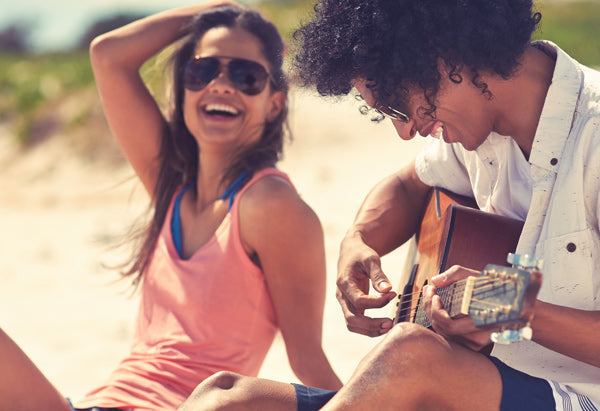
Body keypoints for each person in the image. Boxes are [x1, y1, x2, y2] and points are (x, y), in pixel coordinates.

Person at [178, 0, 600, 410]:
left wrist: (508, 305)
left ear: (447, 52)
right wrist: (358, 240)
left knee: (410, 352)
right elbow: (407, 184)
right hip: (469, 384)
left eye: (398, 105)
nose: (404, 131)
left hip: (580, 395)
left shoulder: (593, 134)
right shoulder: (474, 128)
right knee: (226, 397)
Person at [0, 2, 342, 410]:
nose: (221, 84)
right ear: (182, 90)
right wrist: (217, 10)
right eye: (203, 70)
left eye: (246, 76)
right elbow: (107, 56)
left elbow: (308, 361)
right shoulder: (172, 189)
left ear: (274, 103)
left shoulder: (268, 205)